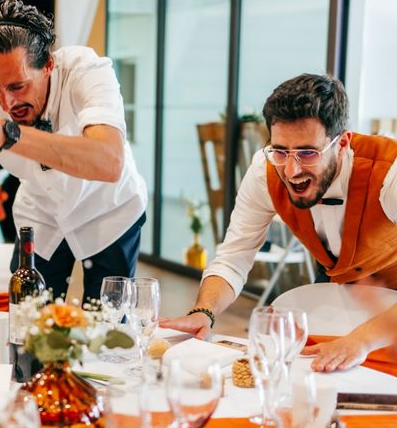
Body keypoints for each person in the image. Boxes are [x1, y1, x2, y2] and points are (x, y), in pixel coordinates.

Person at [161, 74, 397, 371]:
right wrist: (203, 312)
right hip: (336, 294)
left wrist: (360, 341)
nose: (291, 169)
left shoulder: (390, 174)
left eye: (308, 152)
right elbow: (234, 257)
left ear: (342, 143)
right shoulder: (265, 171)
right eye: (280, 150)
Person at [0, 0, 147, 303]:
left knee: (109, 331)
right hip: (40, 217)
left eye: (18, 86)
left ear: (48, 65)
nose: (6, 103)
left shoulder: (87, 71)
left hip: (108, 211)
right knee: (26, 326)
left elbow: (109, 162)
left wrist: (6, 133)